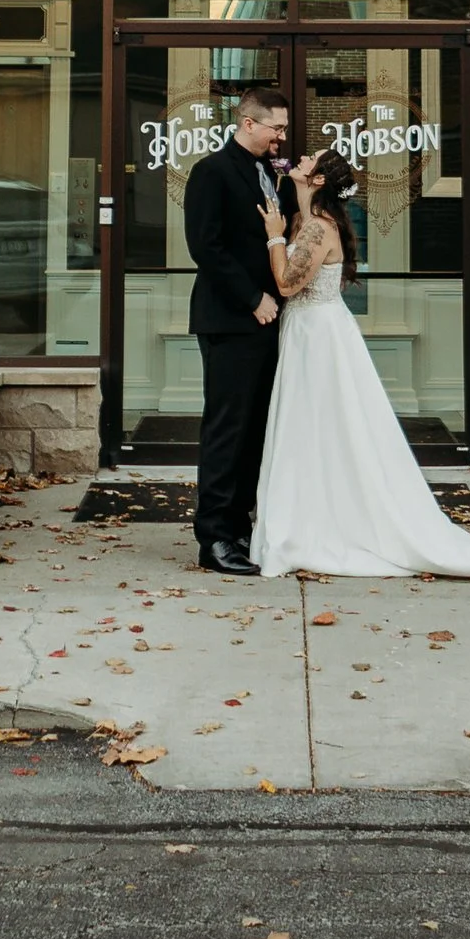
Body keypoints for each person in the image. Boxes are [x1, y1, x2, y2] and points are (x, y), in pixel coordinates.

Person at [253, 146, 470, 583]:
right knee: (319, 431)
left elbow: (287, 283)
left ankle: (314, 527)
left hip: (317, 338)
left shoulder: (315, 229)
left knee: (320, 426)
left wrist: (273, 235)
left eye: (310, 160)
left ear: (319, 180)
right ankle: (316, 515)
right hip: (314, 331)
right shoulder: (312, 223)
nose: (301, 160)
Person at [180, 86, 291, 575]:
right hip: (229, 321)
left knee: (255, 430)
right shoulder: (211, 172)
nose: (281, 137)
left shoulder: (271, 175)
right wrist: (253, 299)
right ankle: (215, 538)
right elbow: (206, 247)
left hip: (270, 322)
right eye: (276, 128)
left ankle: (242, 527)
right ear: (249, 123)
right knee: (227, 429)